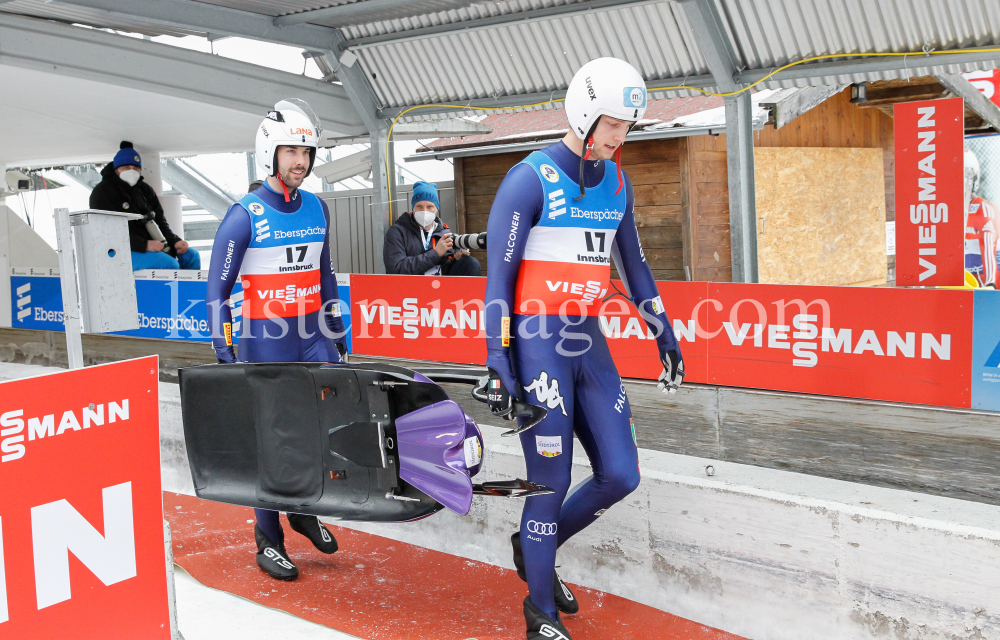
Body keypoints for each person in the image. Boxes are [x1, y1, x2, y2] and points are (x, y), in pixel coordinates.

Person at [482, 58, 685, 640]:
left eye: (627, 127)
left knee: (621, 474)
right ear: (583, 111)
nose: (619, 138)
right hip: (537, 343)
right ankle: (539, 611)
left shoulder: (617, 182)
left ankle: (533, 545)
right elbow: (497, 282)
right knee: (548, 480)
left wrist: (663, 333)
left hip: (588, 341)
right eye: (613, 125)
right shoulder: (529, 179)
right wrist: (498, 362)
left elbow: (636, 268)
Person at [206, 99, 347, 581]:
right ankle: (268, 539)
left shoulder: (317, 206)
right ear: (271, 152)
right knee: (273, 439)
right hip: (266, 338)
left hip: (312, 335)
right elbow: (216, 289)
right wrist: (223, 347)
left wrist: (335, 326)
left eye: (307, 153)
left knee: (323, 424)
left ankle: (303, 509)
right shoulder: (244, 214)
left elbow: (325, 273)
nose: (301, 162)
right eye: (291, 152)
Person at [90, 142, 200, 271]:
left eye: (136, 168)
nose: (132, 171)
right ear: (116, 169)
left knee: (192, 256)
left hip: (152, 245)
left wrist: (175, 241)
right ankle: (170, 291)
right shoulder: (103, 192)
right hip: (118, 250)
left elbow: (160, 221)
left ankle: (188, 291)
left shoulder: (145, 190)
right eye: (126, 167)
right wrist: (144, 245)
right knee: (169, 264)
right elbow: (105, 230)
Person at [383, 181, 481, 275]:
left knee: (471, 263)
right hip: (411, 288)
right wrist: (436, 253)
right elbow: (396, 268)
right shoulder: (397, 232)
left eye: (430, 206)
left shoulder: (444, 234)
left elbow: (445, 270)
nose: (424, 211)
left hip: (439, 287)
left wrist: (455, 259)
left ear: (437, 209)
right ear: (413, 208)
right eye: (419, 206)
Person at [964, 148, 998, 288]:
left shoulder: (983, 209)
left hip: (984, 286)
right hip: (961, 285)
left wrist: (991, 284)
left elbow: (989, 248)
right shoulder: (945, 213)